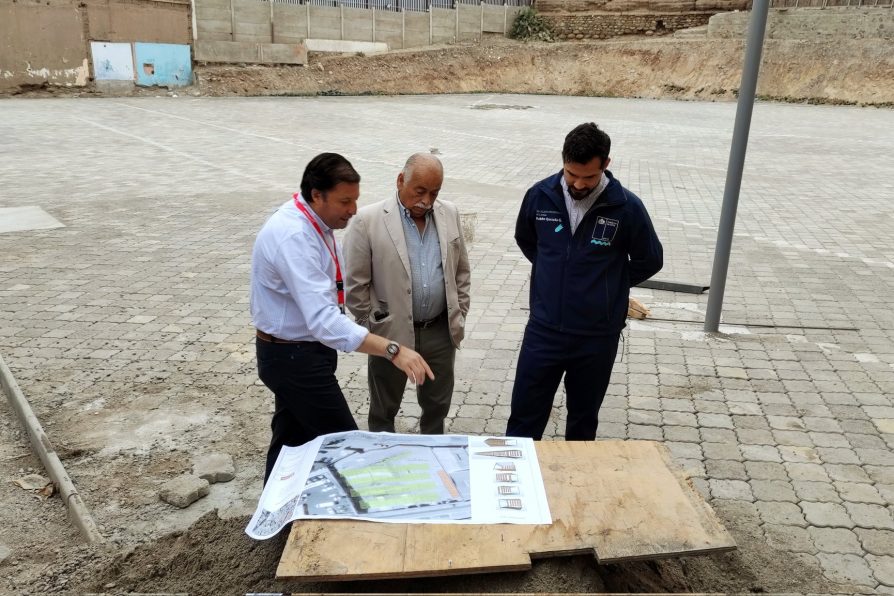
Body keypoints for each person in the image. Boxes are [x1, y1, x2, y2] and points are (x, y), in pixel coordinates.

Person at [250, 152, 433, 484]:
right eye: (345, 201)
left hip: (304, 351)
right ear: (316, 195)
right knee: (345, 445)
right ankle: (353, 525)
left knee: (291, 438)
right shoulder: (294, 236)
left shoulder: (313, 222)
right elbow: (323, 321)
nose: (352, 210)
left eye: (356, 200)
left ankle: (278, 518)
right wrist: (393, 349)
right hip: (293, 358)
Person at [506, 123, 663, 441]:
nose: (578, 183)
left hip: (596, 337)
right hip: (544, 331)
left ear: (606, 164)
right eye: (570, 173)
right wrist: (557, 274)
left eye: (588, 177)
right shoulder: (540, 196)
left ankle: (576, 486)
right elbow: (527, 241)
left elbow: (651, 259)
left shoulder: (626, 208)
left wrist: (609, 285)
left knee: (582, 422)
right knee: (524, 418)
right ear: (563, 161)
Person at [344, 153, 471, 434]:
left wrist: (459, 310)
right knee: (383, 408)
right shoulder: (368, 220)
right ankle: (383, 460)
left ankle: (433, 453)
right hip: (390, 334)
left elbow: (461, 270)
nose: (426, 200)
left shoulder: (449, 213)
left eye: (434, 193)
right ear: (401, 180)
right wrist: (375, 327)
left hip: (439, 332)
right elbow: (355, 286)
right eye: (420, 191)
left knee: (437, 406)